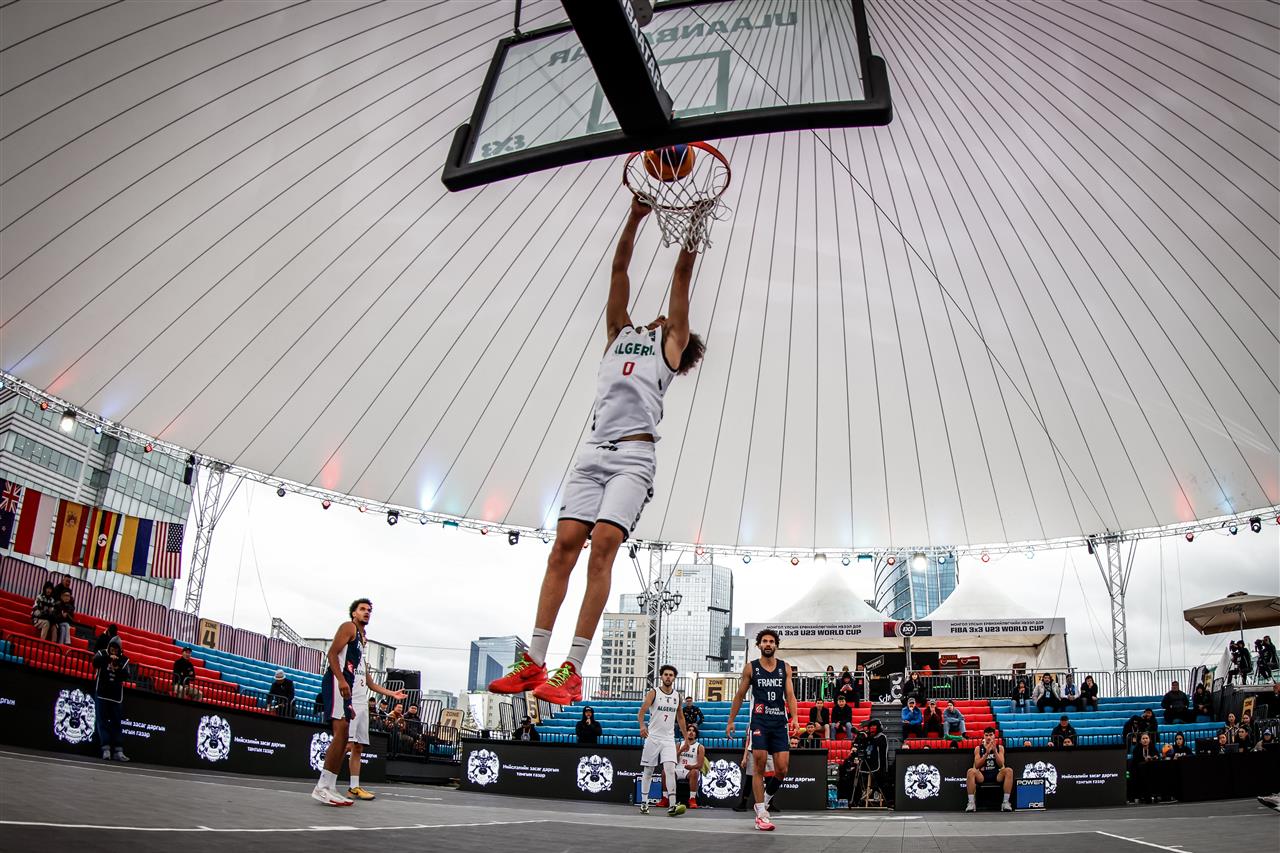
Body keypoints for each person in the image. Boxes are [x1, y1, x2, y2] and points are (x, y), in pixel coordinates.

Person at [486, 198, 705, 706]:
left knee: (602, 546)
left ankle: (573, 668)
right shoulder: (617, 334)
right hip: (591, 453)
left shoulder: (666, 350)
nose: (656, 316)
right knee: (563, 548)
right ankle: (533, 661)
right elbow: (620, 267)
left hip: (633, 457)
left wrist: (695, 225)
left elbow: (681, 280)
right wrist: (634, 216)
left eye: (668, 319)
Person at [311, 599, 407, 807]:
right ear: (353, 613)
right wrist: (342, 680)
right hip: (337, 684)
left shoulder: (361, 642)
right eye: (362, 609)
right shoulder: (348, 627)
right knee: (341, 735)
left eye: (369, 610)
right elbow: (332, 654)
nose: (367, 613)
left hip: (349, 688)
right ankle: (321, 786)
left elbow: (369, 682)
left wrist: (392, 693)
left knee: (345, 735)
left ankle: (330, 786)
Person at [727, 628, 798, 832]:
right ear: (759, 645)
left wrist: (794, 718)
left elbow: (790, 695)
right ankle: (761, 814)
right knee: (758, 766)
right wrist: (731, 721)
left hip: (779, 722)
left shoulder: (785, 667)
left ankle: (765, 800)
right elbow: (740, 695)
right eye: (764, 641)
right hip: (759, 722)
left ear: (776, 645)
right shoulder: (751, 668)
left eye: (771, 641)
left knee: (782, 769)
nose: (768, 644)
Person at [637, 664, 688, 816]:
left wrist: (686, 738)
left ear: (674, 678)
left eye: (671, 675)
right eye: (665, 674)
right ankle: (644, 803)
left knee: (670, 770)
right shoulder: (654, 692)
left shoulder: (677, 696)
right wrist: (642, 726)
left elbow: (680, 717)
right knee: (648, 770)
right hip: (653, 737)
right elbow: (642, 711)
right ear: (661, 676)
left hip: (668, 739)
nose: (668, 677)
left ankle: (672, 805)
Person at [93, 636, 130, 761]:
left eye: (116, 649)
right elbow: (95, 662)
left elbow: (126, 675)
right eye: (112, 648)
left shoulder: (124, 660)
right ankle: (106, 748)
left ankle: (118, 750)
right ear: (109, 647)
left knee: (116, 723)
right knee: (102, 721)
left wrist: (118, 664)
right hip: (102, 693)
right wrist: (108, 658)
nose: (114, 651)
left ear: (119, 650)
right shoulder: (102, 653)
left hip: (115, 696)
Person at [965, 727, 1013, 812]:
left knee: (1009, 770)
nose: (988, 737)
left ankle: (1006, 802)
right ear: (983, 736)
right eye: (986, 735)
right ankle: (971, 803)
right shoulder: (978, 748)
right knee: (970, 771)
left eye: (991, 735)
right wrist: (986, 753)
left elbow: (1001, 764)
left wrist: (995, 752)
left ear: (994, 736)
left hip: (997, 774)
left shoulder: (1000, 747)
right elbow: (976, 765)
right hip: (982, 775)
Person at [1127, 731, 1163, 803]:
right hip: (1139, 770)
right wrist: (1144, 759)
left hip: (1151, 770)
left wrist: (1155, 757)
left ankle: (1156, 794)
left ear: (1149, 740)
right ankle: (1139, 796)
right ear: (1140, 741)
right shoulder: (1136, 749)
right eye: (1143, 738)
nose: (1145, 740)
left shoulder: (1152, 747)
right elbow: (1136, 760)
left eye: (1146, 738)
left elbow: (1157, 756)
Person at [675, 724, 705, 808]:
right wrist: (681, 750)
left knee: (695, 772)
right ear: (686, 732)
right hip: (678, 769)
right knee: (665, 772)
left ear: (696, 734)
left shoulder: (700, 746)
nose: (691, 732)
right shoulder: (679, 744)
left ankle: (692, 799)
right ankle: (666, 798)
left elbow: (700, 765)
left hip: (690, 770)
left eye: (693, 731)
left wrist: (691, 767)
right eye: (689, 730)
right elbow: (673, 760)